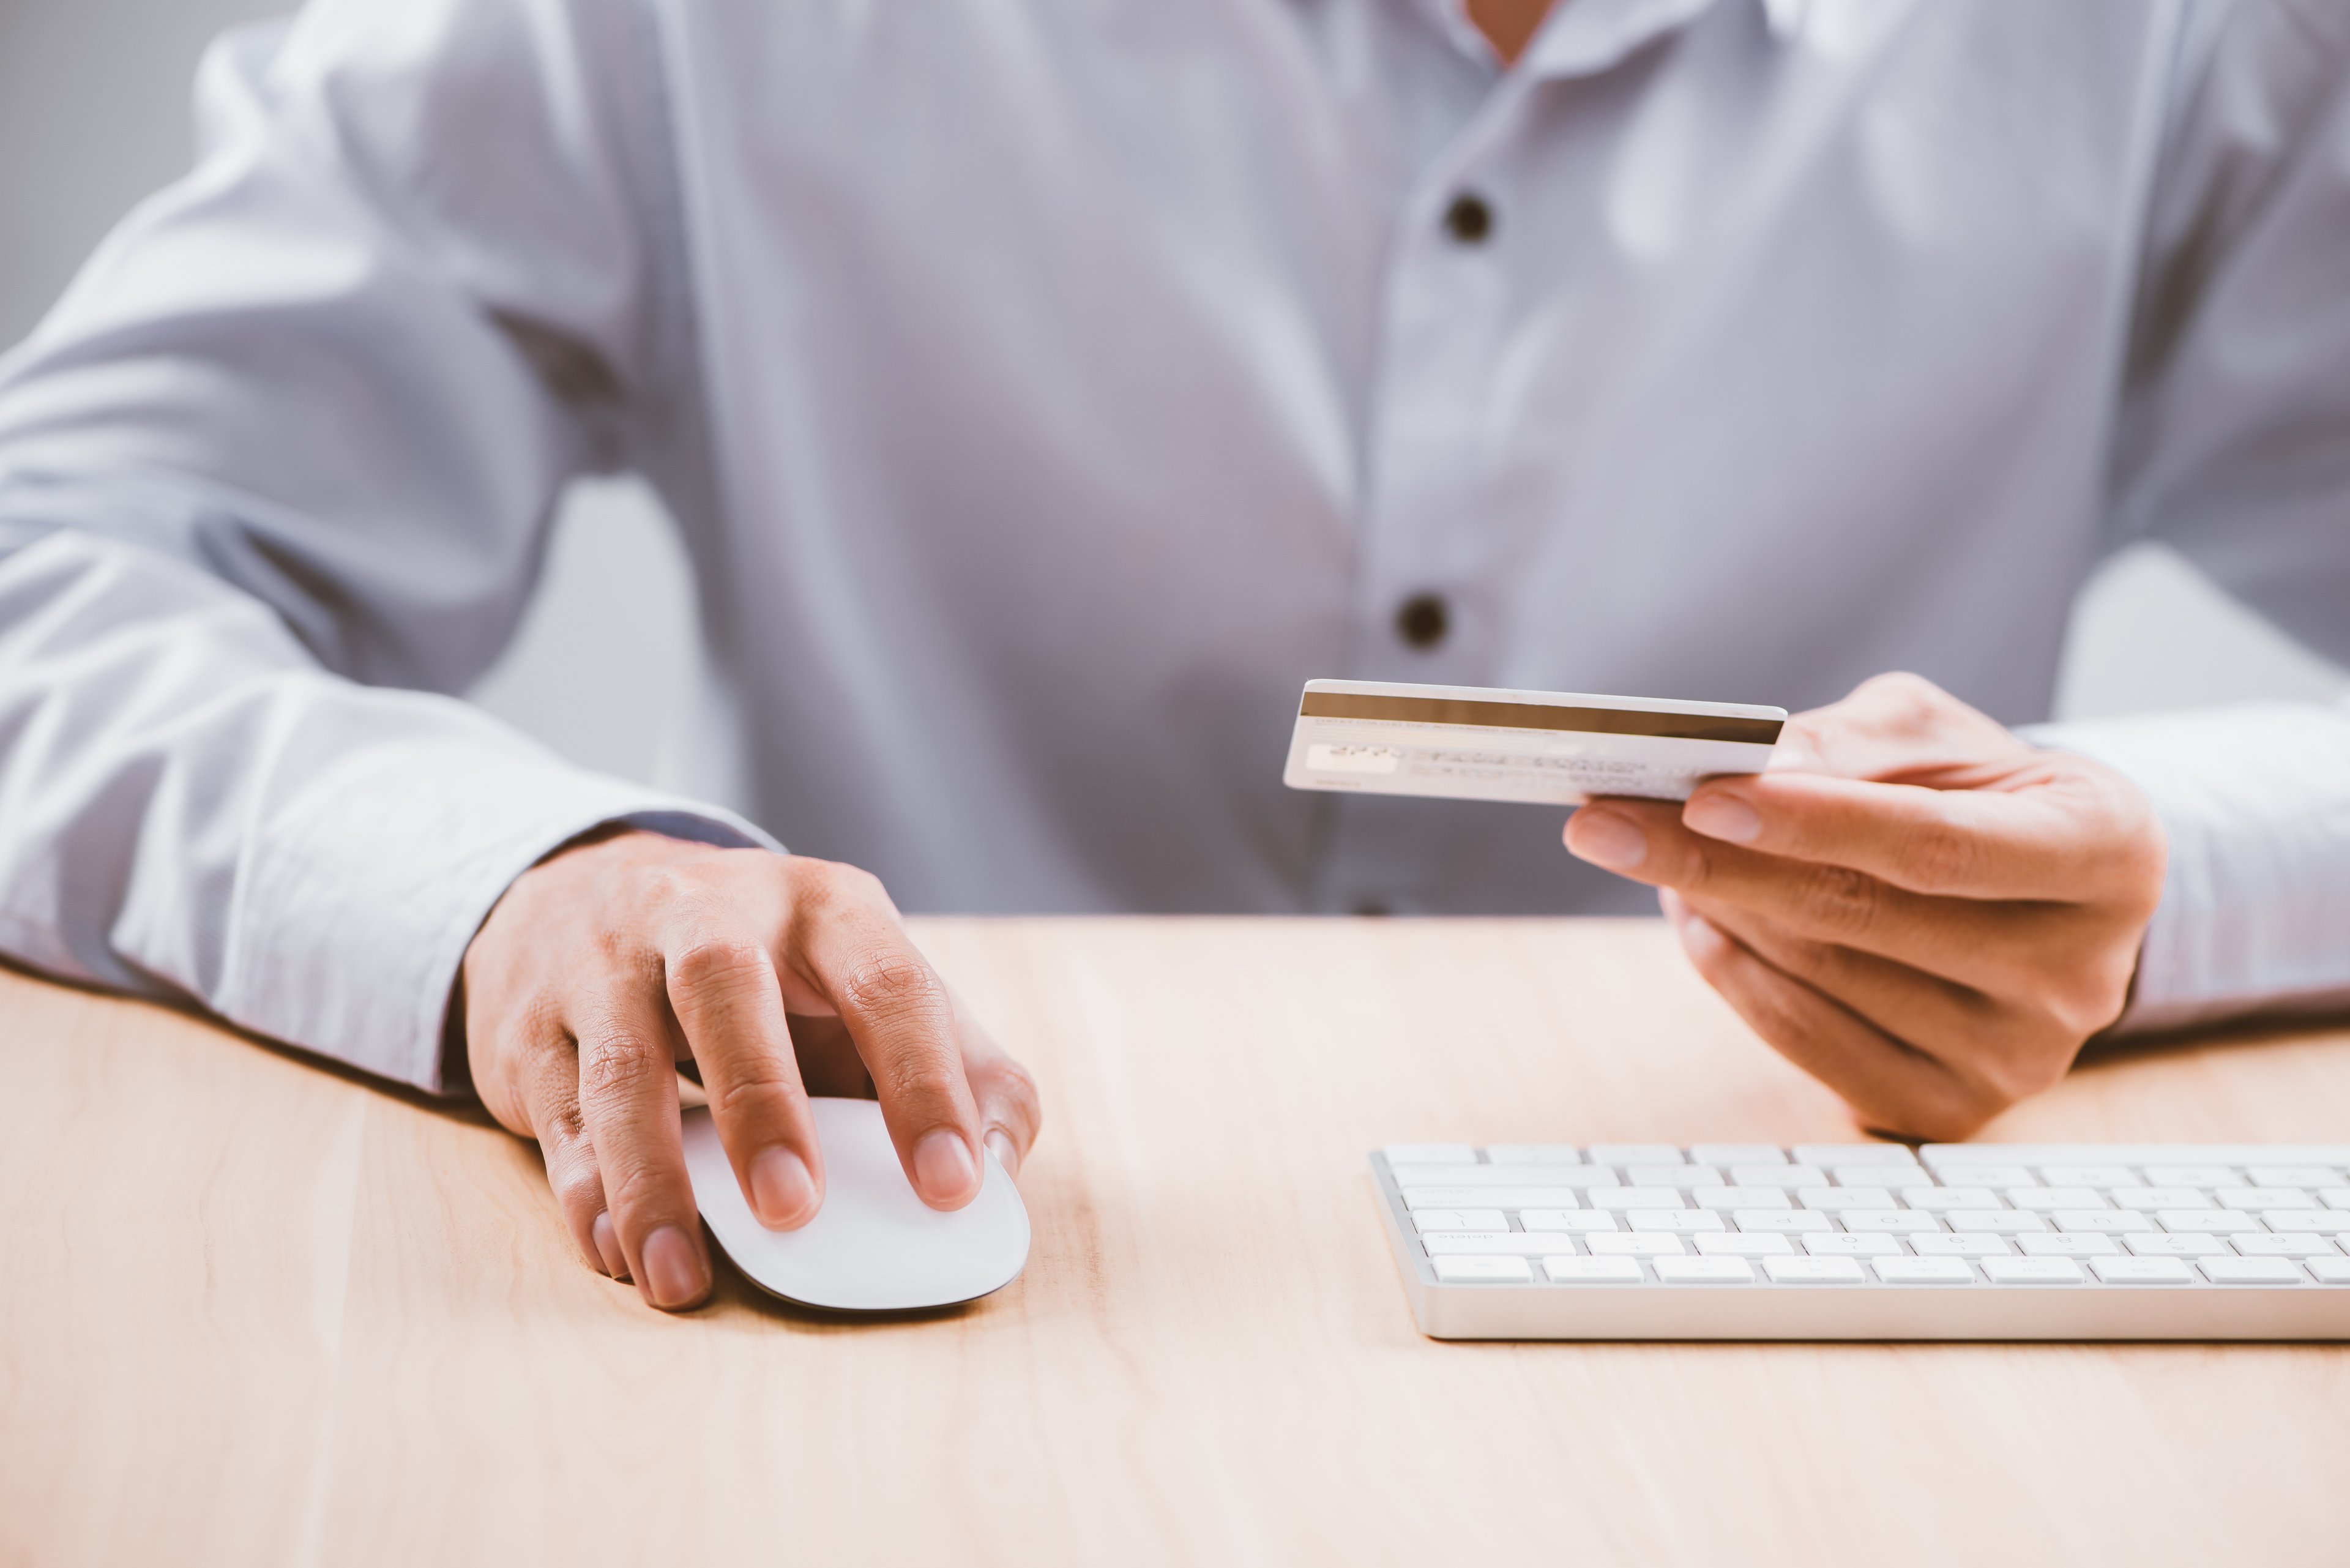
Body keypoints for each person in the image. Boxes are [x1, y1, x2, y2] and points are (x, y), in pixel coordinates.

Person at [2, 0, 2346, 1313]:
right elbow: (47, 560)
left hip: (1825, 1358)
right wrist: (513, 883)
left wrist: (2166, 885)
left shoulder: (2178, 41)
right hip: (868, 1391)